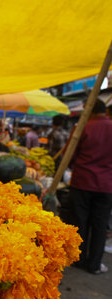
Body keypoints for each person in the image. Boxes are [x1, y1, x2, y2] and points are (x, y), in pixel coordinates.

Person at [69, 100, 112, 275]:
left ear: (89, 110)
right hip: (106, 184)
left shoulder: (83, 127)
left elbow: (70, 155)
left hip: (82, 181)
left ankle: (79, 259)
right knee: (100, 225)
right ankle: (94, 264)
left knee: (80, 223)